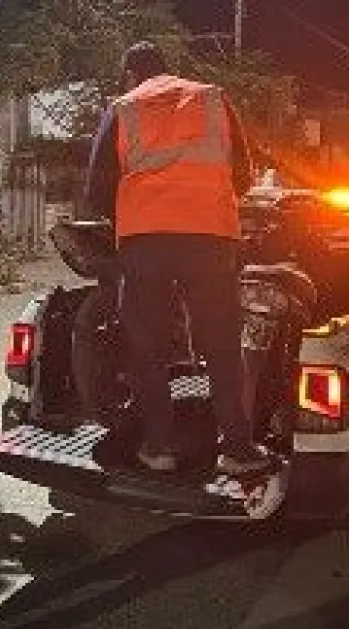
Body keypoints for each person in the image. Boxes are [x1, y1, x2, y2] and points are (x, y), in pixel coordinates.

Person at [84, 40, 271, 476]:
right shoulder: (212, 98)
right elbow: (241, 173)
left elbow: (97, 188)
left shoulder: (123, 108)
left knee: (146, 346)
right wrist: (205, 207)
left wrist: (134, 215)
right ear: (169, 69)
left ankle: (158, 447)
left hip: (144, 242)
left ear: (132, 75)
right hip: (209, 238)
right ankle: (237, 450)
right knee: (222, 344)